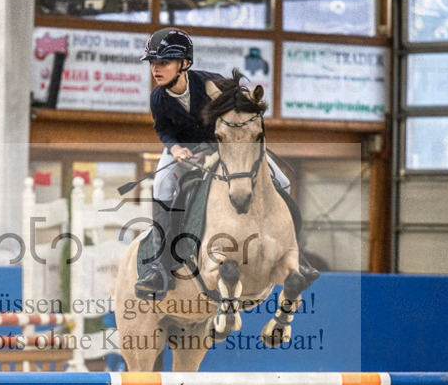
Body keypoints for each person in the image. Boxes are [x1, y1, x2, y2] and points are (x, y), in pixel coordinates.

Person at [136, 27, 318, 299]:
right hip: (184, 150)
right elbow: (163, 129)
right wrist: (175, 149)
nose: (156, 68)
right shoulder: (158, 97)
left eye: (164, 62)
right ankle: (158, 267)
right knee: (160, 186)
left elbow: (242, 106)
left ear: (184, 63)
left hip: (225, 145)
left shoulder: (211, 83)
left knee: (282, 181)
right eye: (153, 62)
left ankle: (295, 254)